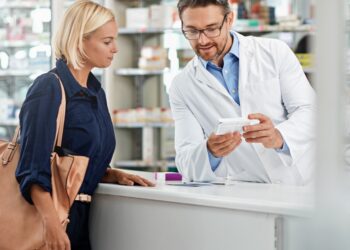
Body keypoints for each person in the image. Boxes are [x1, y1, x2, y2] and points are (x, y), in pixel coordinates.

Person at [15, 1, 154, 249]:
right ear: (80, 40)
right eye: (107, 41)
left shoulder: (95, 92)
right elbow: (32, 170)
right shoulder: (49, 88)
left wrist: (109, 173)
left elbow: (79, 155)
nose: (115, 49)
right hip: (49, 222)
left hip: (79, 220)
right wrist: (52, 226)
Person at [169, 0, 316, 185]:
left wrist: (278, 136)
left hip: (305, 181)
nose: (202, 40)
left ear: (229, 19)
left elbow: (311, 111)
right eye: (191, 31)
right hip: (249, 191)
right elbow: (185, 161)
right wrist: (210, 151)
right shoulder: (182, 86)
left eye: (211, 28)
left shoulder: (274, 52)